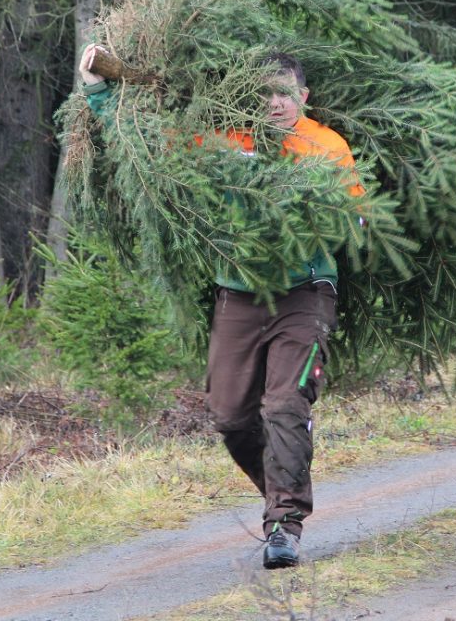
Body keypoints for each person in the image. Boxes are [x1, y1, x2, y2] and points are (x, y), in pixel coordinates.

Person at [78, 47, 363, 569]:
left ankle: (284, 523)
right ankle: (282, 478)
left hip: (305, 293)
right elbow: (149, 148)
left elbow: (355, 216)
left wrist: (331, 216)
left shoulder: (326, 146)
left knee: (284, 405)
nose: (275, 103)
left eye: (285, 93)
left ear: (304, 97)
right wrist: (99, 92)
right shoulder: (225, 141)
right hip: (238, 293)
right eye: (265, 93)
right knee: (231, 417)